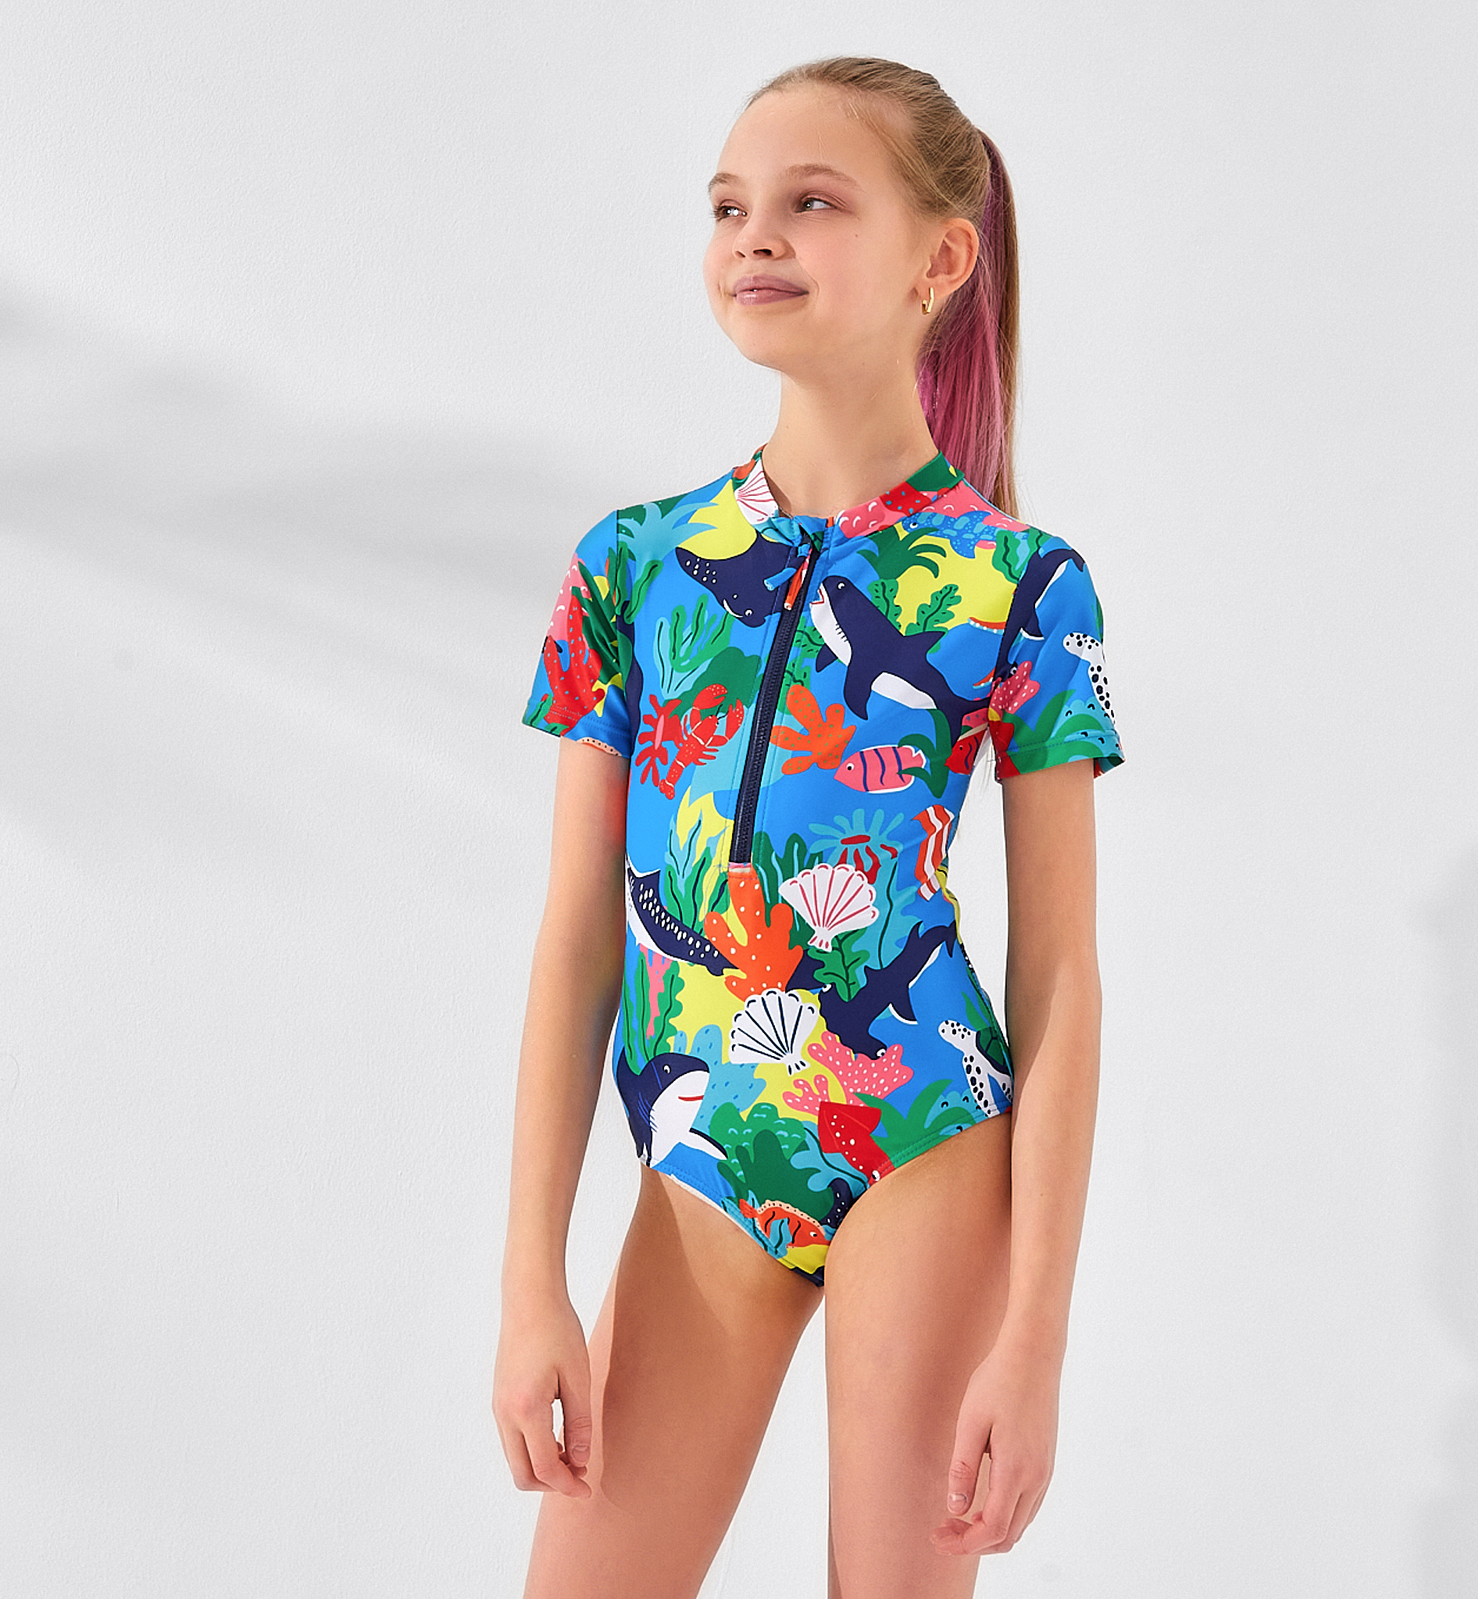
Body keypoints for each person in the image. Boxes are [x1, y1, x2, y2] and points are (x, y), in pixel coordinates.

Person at [493, 55, 1125, 1600]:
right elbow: (575, 940)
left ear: (940, 260)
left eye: (812, 202)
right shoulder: (633, 567)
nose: (755, 236)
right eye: (729, 207)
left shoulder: (1021, 586)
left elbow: (1061, 976)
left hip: (923, 1136)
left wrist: (1036, 1337)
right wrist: (531, 1281)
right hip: (709, 1142)